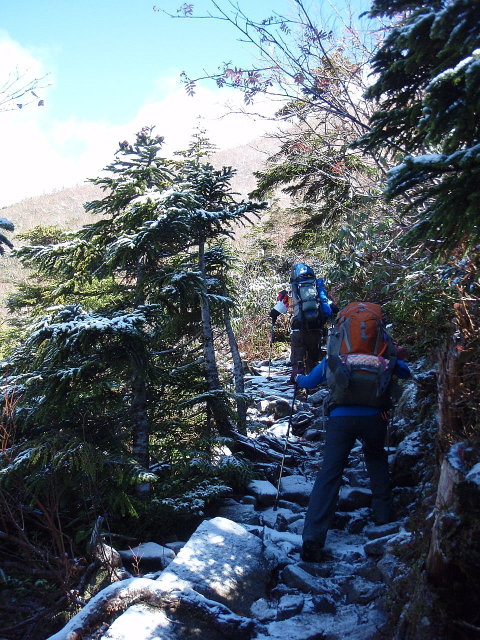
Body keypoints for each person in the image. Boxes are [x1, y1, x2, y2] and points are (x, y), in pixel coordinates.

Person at [294, 329, 411, 563]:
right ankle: (383, 517)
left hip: (340, 420)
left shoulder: (336, 360)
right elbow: (406, 373)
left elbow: (308, 382)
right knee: (376, 458)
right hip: (376, 418)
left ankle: (313, 540)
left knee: (330, 472)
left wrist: (296, 376)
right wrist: (396, 356)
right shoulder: (382, 360)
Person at [269, 268, 337, 384]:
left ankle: (297, 385)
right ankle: (313, 386)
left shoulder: (292, 294)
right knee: (313, 360)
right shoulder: (318, 292)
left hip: (298, 332)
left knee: (297, 360)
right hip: (316, 331)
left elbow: (273, 313)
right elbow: (334, 309)